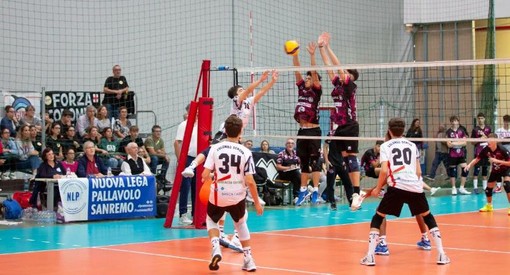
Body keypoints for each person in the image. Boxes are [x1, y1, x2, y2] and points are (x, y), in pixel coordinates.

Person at [360, 118, 450, 266]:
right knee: (428, 217)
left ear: (389, 130)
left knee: (378, 217)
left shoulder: (385, 146)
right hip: (414, 186)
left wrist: (377, 188)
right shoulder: (412, 145)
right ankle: (441, 254)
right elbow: (419, 172)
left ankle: (370, 256)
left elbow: (383, 170)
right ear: (403, 130)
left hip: (397, 186)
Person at [182, 70, 278, 177]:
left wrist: (272, 82)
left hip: (237, 133)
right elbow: (249, 90)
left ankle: (223, 175)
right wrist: (261, 79)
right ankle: (192, 166)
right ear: (236, 94)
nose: (244, 91)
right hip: (227, 130)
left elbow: (261, 92)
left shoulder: (249, 102)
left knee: (239, 155)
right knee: (211, 149)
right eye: (241, 90)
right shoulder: (236, 100)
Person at [202, 115, 263, 272]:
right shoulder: (246, 151)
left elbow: (204, 175)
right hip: (237, 194)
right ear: (241, 131)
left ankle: (216, 246)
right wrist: (256, 202)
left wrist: (212, 176)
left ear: (225, 131)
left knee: (211, 220)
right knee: (241, 223)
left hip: (218, 193)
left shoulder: (215, 148)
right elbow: (250, 181)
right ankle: (248, 260)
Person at [318, 32, 362, 203]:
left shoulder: (350, 85)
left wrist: (328, 47)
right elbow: (329, 68)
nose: (344, 74)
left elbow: (337, 66)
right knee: (342, 159)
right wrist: (321, 48)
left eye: (347, 73)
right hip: (340, 126)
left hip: (350, 125)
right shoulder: (338, 85)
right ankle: (352, 193)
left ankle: (357, 193)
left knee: (350, 157)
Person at [291, 41, 322, 206]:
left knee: (315, 162)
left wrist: (311, 54)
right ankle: (303, 191)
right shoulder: (302, 88)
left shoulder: (316, 91)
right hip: (302, 131)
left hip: (314, 131)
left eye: (310, 78)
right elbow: (297, 71)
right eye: (307, 77)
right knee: (303, 162)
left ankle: (315, 191)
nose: (307, 79)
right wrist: (295, 54)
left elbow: (315, 73)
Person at [465, 133, 510, 214]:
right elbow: (477, 159)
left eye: (491, 140)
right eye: (488, 140)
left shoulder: (502, 149)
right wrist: (469, 165)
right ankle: (489, 206)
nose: (488, 141)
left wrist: (497, 161)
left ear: (495, 141)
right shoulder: (486, 149)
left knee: (507, 185)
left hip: (506, 169)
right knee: (488, 189)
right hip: (496, 170)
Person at [174, 104, 198, 225]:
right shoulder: (184, 125)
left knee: (196, 186)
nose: (198, 113)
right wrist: (180, 160)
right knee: (185, 186)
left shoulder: (200, 125)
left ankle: (195, 214)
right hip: (187, 159)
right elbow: (177, 143)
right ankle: (183, 214)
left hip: (198, 159)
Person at [323, 131, 353, 210]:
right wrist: (326, 160)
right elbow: (325, 147)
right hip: (332, 163)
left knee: (348, 183)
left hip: (342, 163)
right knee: (330, 184)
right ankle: (332, 202)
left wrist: (346, 161)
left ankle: (351, 201)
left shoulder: (345, 134)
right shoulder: (331, 133)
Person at [446, 115, 471, 195]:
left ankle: (462, 187)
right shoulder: (448, 132)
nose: (454, 122)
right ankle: (453, 188)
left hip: (461, 154)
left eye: (456, 121)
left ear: (458, 121)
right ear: (451, 122)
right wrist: (458, 143)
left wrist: (454, 143)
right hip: (452, 154)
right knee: (452, 171)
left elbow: (465, 143)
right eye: (452, 121)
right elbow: (449, 145)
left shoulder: (462, 131)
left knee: (465, 169)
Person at [470, 112, 491, 194]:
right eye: (479, 118)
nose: (480, 120)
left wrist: (485, 137)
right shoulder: (475, 129)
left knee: (485, 170)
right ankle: (475, 188)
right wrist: (479, 139)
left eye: (482, 118)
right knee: (476, 170)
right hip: (478, 152)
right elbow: (472, 142)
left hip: (486, 152)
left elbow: (490, 140)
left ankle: (485, 187)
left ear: (484, 119)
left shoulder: (488, 128)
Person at [493, 114, 510, 193]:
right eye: (505, 121)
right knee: (498, 168)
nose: (507, 123)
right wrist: (505, 139)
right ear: (503, 121)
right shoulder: (499, 131)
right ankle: (498, 186)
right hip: (501, 153)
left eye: (508, 121)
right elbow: (497, 141)